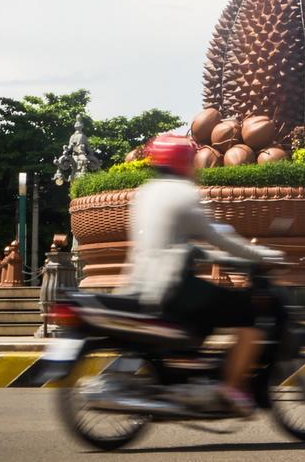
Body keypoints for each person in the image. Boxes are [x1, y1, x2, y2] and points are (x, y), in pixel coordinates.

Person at [121, 133, 284, 416]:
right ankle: (231, 389)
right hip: (172, 285)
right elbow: (216, 237)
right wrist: (261, 255)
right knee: (249, 317)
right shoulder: (184, 193)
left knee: (207, 315)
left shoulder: (146, 192)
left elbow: (180, 241)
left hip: (141, 284)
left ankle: (197, 373)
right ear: (186, 162)